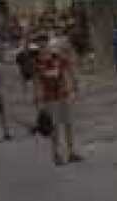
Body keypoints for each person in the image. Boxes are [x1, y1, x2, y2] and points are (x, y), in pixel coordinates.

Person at [33, 35, 83, 165]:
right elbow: (37, 81)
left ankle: (71, 152)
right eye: (40, 43)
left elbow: (69, 67)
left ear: (48, 44)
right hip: (49, 98)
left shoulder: (57, 57)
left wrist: (75, 83)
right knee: (54, 127)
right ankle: (56, 154)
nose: (43, 46)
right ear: (38, 45)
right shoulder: (37, 62)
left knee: (68, 124)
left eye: (44, 43)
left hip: (63, 94)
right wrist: (38, 100)